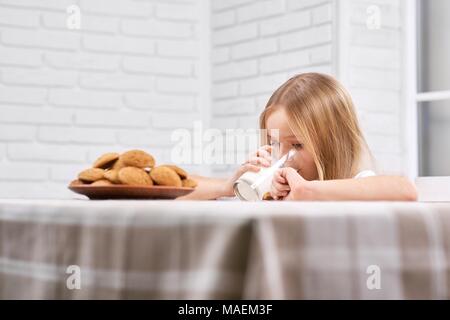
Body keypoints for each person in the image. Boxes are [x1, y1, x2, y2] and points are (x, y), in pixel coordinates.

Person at [181, 73, 417, 201]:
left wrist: (309, 191)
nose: (284, 157)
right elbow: (174, 191)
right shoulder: (272, 190)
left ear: (334, 144)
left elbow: (406, 190)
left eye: (297, 144)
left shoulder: (355, 183)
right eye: (274, 142)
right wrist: (228, 187)